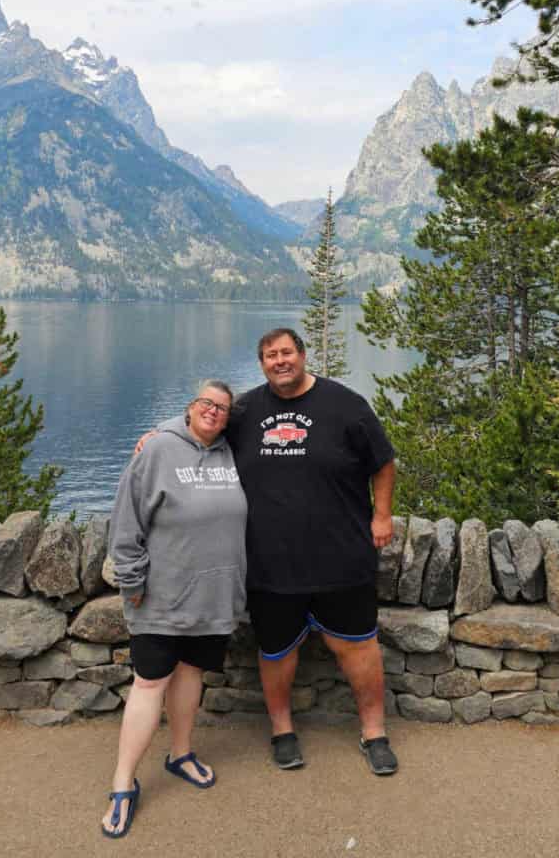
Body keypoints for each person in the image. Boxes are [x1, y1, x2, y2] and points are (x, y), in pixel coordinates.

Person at [137, 328, 399, 776]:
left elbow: (384, 461)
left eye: (286, 353)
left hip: (342, 556)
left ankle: (374, 732)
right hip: (269, 562)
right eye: (270, 355)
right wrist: (158, 435)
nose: (280, 361)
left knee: (359, 650)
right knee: (276, 652)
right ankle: (282, 731)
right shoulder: (245, 411)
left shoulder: (346, 405)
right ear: (261, 364)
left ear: (302, 355)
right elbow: (202, 423)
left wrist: (382, 515)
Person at [101, 380, 247, 840]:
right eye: (206, 403)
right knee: (149, 682)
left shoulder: (231, 454)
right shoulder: (158, 450)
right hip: (161, 597)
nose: (214, 411)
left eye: (222, 408)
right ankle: (123, 782)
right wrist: (132, 582)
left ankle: (180, 754)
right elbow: (125, 524)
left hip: (213, 597)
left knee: (190, 674)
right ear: (189, 408)